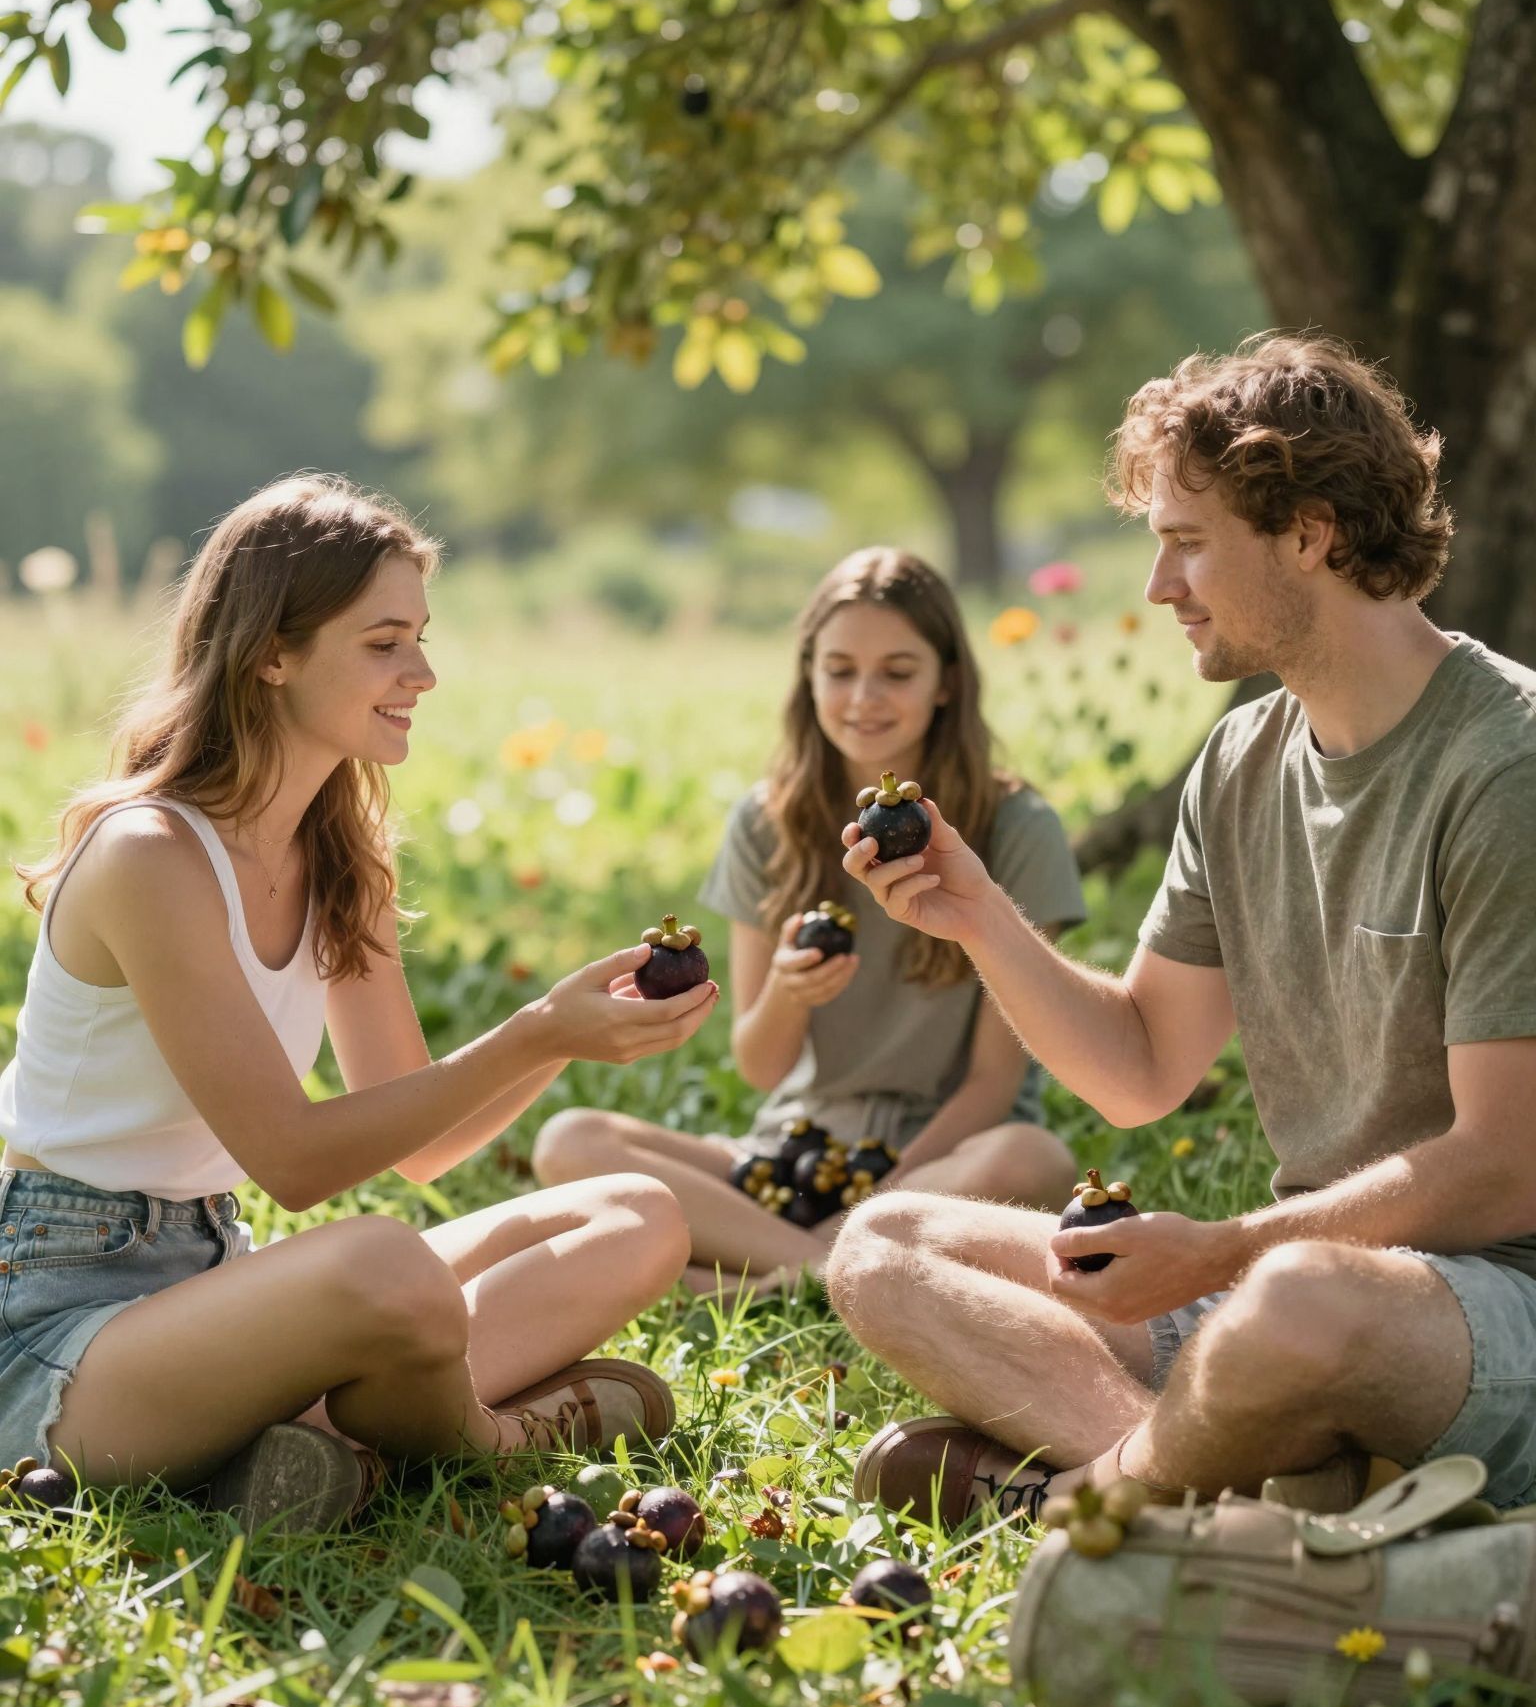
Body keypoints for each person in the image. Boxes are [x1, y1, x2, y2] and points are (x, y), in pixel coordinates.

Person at [827, 333, 1536, 1526]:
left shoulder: (1506, 764)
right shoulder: (1243, 759)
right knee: (884, 1245)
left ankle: (1089, 1497)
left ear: (1310, 533)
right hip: (1286, 1292)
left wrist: (1220, 1253)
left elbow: (1505, 1162)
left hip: (1475, 1302)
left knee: (1302, 1301)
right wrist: (978, 915)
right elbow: (1143, 1065)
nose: (1159, 589)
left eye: (1188, 545)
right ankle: (1228, 1483)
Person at [0, 476, 717, 1529]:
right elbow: (293, 1160)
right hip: (60, 1326)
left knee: (640, 1212)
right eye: (385, 642)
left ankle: (316, 1446)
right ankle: (497, 1436)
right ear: (271, 652)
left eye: (420, 637)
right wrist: (533, 1027)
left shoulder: (337, 853)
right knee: (382, 1263)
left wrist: (564, 1038)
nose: (422, 672)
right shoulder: (151, 855)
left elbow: (420, 1138)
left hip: (216, 1279)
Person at [533, 547, 1085, 1292]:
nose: (864, 696)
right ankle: (826, 1275)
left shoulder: (1016, 826)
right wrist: (790, 996)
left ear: (947, 681)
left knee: (1034, 1159)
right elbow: (760, 1066)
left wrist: (876, 1202)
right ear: (809, 676)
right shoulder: (769, 823)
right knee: (572, 1140)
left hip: (944, 1159)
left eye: (897, 671)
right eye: (839, 670)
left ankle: (748, 1276)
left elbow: (992, 1082)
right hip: (791, 1155)